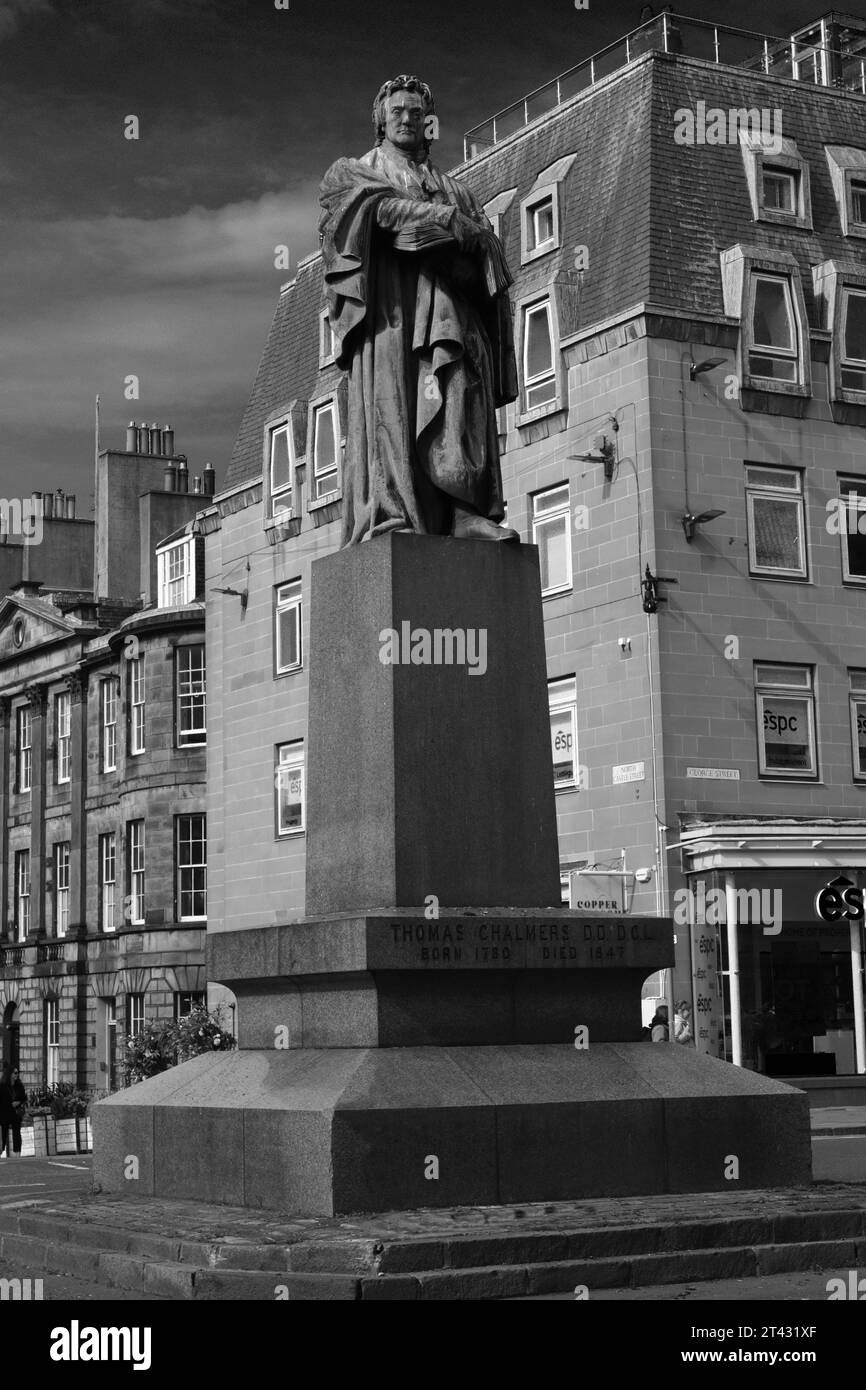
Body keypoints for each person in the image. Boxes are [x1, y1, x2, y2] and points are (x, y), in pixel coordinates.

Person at [319, 75, 520, 546]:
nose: (407, 118)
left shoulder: (458, 191)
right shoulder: (354, 173)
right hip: (391, 320)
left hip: (452, 316)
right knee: (394, 414)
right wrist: (444, 223)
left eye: (416, 112)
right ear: (380, 121)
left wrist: (467, 246)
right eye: (398, 111)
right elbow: (375, 215)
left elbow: (488, 262)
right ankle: (394, 513)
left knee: (459, 396)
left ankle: (465, 511)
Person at [0, 1065, 26, 1157]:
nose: (17, 1075)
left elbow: (24, 1098)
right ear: (9, 1074)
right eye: (15, 1073)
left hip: (15, 1113)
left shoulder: (19, 1085)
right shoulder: (2, 1086)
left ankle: (17, 1152)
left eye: (17, 1073)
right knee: (3, 1133)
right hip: (4, 1113)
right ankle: (1, 1150)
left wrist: (18, 1102)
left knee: (16, 1133)